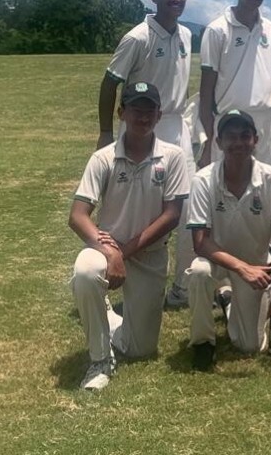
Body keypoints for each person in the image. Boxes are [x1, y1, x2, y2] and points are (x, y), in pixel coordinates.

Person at [69, 82, 191, 390]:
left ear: (159, 114)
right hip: (106, 248)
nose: (143, 116)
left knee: (140, 350)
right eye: (136, 110)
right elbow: (77, 215)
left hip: (148, 254)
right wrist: (111, 252)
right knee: (84, 271)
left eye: (149, 110)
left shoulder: (173, 157)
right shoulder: (104, 157)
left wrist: (124, 252)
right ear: (122, 113)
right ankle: (100, 361)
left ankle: (105, 314)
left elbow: (171, 215)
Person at [97, 0, 195, 310]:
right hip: (139, 128)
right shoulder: (138, 37)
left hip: (177, 130)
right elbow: (111, 82)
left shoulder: (186, 35)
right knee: (128, 214)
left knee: (186, 212)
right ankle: (103, 277)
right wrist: (106, 132)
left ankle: (182, 288)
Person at [184, 110, 271, 370]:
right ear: (219, 142)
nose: (238, 143)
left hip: (255, 265)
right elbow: (200, 242)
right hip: (217, 261)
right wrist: (240, 268)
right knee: (199, 272)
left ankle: (229, 299)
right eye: (230, 137)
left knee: (249, 346)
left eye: (245, 136)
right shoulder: (203, 180)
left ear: (255, 140)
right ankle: (202, 343)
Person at [196, 0, 271, 168]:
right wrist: (206, 140)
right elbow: (206, 90)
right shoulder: (217, 30)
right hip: (230, 121)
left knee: (264, 187)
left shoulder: (270, 28)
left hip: (265, 122)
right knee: (226, 187)